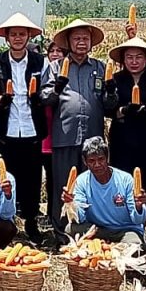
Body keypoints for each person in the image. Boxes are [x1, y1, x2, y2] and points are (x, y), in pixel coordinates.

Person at [40, 19, 106, 228]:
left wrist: (111, 95)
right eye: (76, 38)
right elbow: (44, 97)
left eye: (85, 39)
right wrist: (56, 89)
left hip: (93, 136)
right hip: (65, 135)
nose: (81, 43)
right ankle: (62, 231)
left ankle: (89, 229)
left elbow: (107, 99)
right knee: (64, 185)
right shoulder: (55, 67)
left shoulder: (100, 67)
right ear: (68, 42)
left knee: (91, 184)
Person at [0, 13, 47, 242]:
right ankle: (9, 222)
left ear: (28, 37)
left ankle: (32, 221)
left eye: (22, 34)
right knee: (8, 176)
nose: (17, 38)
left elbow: (49, 88)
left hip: (32, 128)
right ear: (6, 37)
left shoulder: (40, 62)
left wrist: (40, 96)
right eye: (13, 34)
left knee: (32, 178)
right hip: (8, 128)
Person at [103, 37, 146, 210]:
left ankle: (141, 226)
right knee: (122, 184)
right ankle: (122, 224)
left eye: (139, 57)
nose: (134, 61)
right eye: (129, 57)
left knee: (144, 186)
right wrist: (122, 111)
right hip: (122, 139)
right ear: (123, 60)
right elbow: (107, 108)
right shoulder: (114, 80)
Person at [63, 136, 146, 244]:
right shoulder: (81, 181)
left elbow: (138, 220)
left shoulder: (126, 180)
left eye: (101, 159)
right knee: (70, 229)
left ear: (107, 158)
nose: (97, 165)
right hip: (97, 230)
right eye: (92, 161)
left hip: (125, 230)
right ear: (85, 162)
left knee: (135, 245)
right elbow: (80, 218)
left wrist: (138, 206)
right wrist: (71, 204)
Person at [41, 41, 65, 219]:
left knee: (54, 178)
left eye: (59, 51)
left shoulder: (66, 75)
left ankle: (53, 213)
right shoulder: (45, 74)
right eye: (52, 51)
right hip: (41, 135)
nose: (55, 54)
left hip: (57, 136)